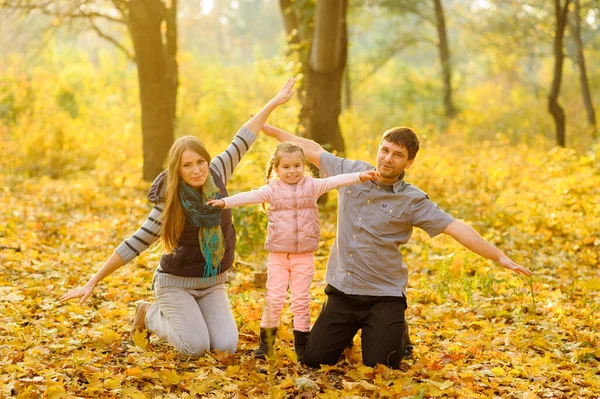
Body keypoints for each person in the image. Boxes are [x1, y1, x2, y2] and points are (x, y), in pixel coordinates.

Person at [260, 123, 533, 369]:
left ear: (409, 162)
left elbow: (455, 227)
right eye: (385, 150)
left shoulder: (413, 200)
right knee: (315, 359)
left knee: (382, 364)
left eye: (398, 155)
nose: (388, 158)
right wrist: (272, 130)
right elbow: (312, 150)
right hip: (343, 291)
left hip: (383, 295)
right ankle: (351, 329)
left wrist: (499, 257)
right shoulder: (352, 171)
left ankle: (397, 327)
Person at [60, 78, 297, 357]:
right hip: (176, 284)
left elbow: (244, 137)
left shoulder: (218, 172)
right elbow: (134, 243)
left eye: (200, 162)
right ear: (178, 169)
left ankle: (193, 317)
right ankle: (148, 314)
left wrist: (273, 102)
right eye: (188, 165)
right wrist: (92, 282)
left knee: (226, 347)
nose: (197, 170)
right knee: (193, 348)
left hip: (212, 283)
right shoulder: (168, 204)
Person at [208, 142, 377, 361]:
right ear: (277, 169)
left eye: (297, 165)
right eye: (286, 167)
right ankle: (265, 344)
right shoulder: (272, 190)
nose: (292, 171)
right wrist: (223, 202)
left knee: (300, 300)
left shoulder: (312, 186)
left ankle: (302, 346)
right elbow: (247, 197)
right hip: (278, 257)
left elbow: (334, 181)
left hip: (303, 256)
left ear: (304, 166)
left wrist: (360, 176)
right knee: (275, 298)